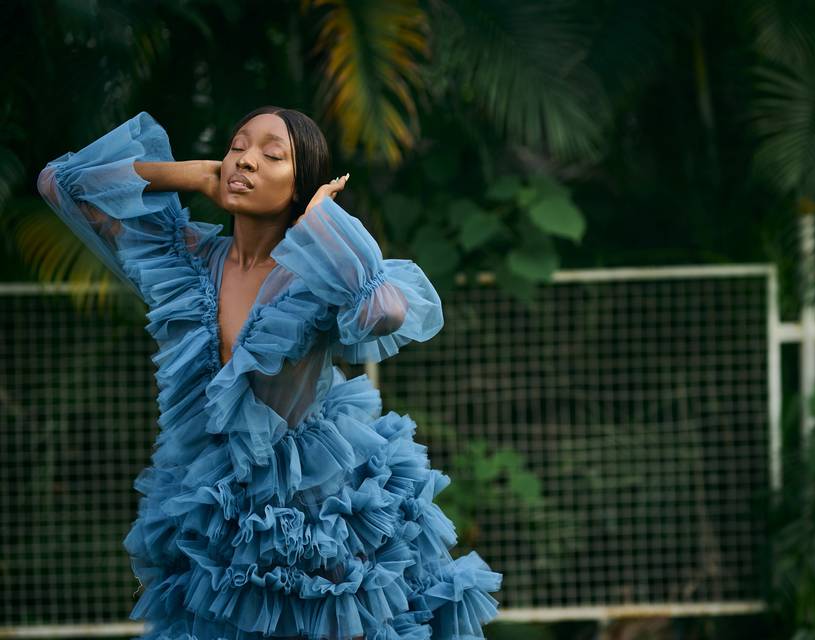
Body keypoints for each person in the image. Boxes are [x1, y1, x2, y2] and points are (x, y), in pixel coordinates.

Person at [35, 108, 502, 639]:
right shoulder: (185, 261)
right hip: (212, 506)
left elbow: (386, 311)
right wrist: (196, 173)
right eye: (238, 147)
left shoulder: (314, 271)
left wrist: (320, 222)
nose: (247, 161)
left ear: (300, 184)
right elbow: (61, 184)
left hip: (314, 507)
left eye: (272, 155)